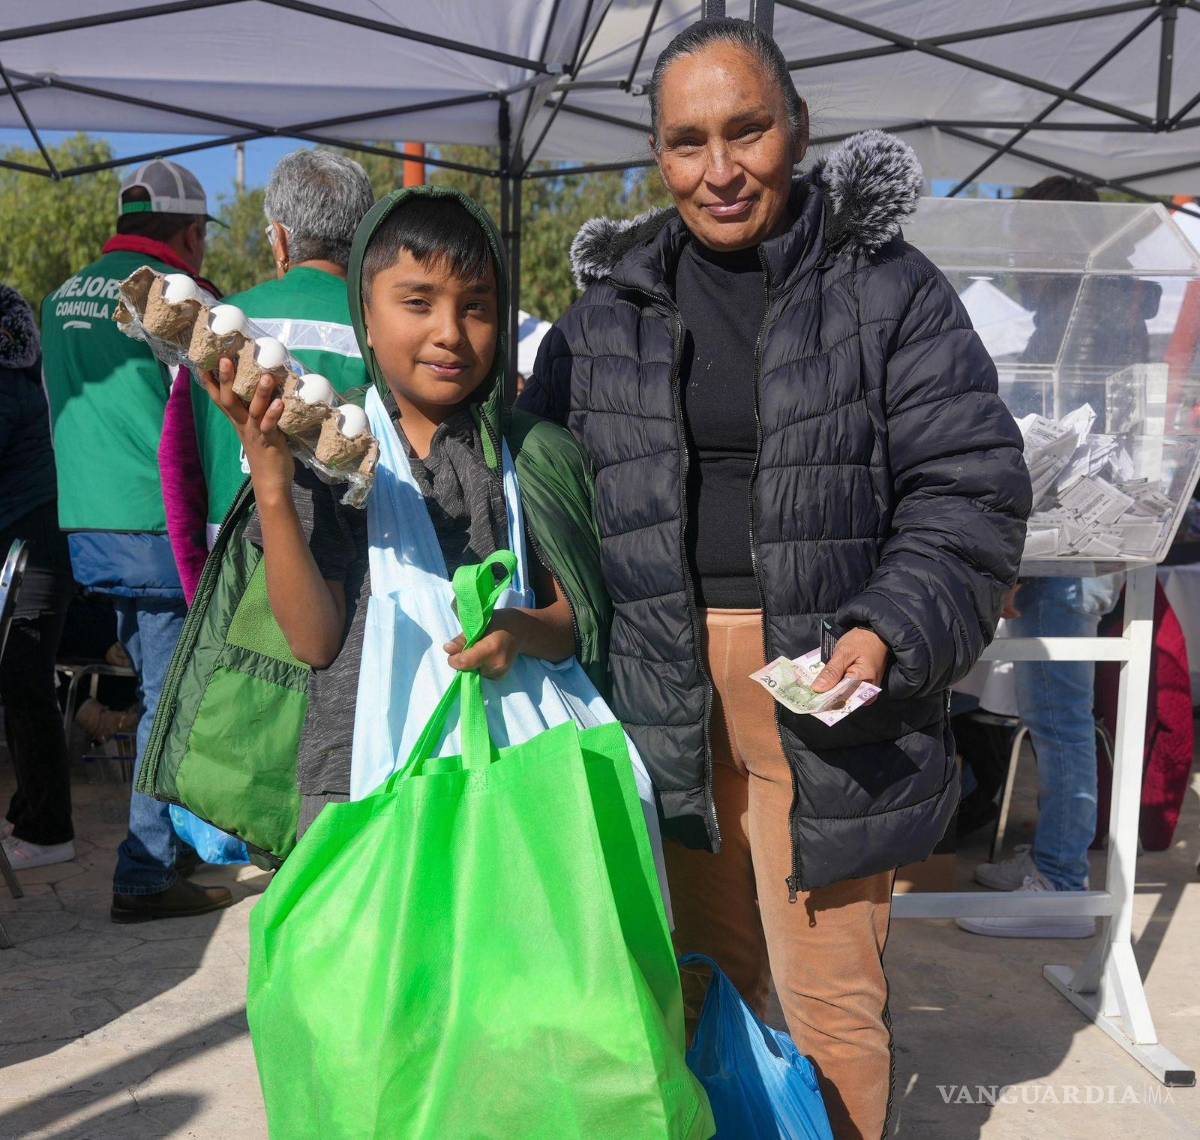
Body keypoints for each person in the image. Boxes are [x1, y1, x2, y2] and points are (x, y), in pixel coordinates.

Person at [519, 18, 1031, 1139]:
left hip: (828, 686)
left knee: (829, 999)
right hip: (660, 687)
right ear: (657, 154)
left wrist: (889, 627)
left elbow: (972, 486)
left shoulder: (885, 288)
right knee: (695, 982)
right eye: (687, 141)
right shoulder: (611, 308)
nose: (720, 169)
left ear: (795, 128)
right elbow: (533, 475)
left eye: (746, 131)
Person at [198, 185, 611, 838]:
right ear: (365, 311)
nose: (450, 332)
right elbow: (314, 640)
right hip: (362, 788)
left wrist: (515, 630)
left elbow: (568, 621)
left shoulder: (531, 454)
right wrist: (275, 485)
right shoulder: (331, 449)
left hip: (504, 783)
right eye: (417, 302)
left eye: (476, 307)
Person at [958, 175, 1158, 939]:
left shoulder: (1091, 311)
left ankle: (1064, 884)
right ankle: (1054, 857)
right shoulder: (1080, 308)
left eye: (1023, 238)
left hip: (1075, 544)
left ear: (1059, 236)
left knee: (1063, 717)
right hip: (1063, 539)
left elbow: (1069, 436)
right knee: (1048, 714)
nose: (1013, 256)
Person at [40, 159, 233, 923]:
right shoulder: (178, 297)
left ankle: (175, 846)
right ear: (189, 232)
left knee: (160, 685)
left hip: (88, 526)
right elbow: (217, 416)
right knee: (172, 700)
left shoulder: (59, 298)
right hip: (161, 528)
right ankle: (145, 873)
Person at [164, 149, 375, 599]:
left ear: (279, 239)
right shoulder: (385, 326)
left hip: (233, 573)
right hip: (355, 578)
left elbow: (178, 466)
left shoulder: (213, 323)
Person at [0, 284, 76, 869]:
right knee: (26, 687)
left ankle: (48, 830)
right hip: (38, 544)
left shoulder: (7, 395)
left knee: (26, 685)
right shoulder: (24, 386)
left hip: (33, 551)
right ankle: (36, 817)